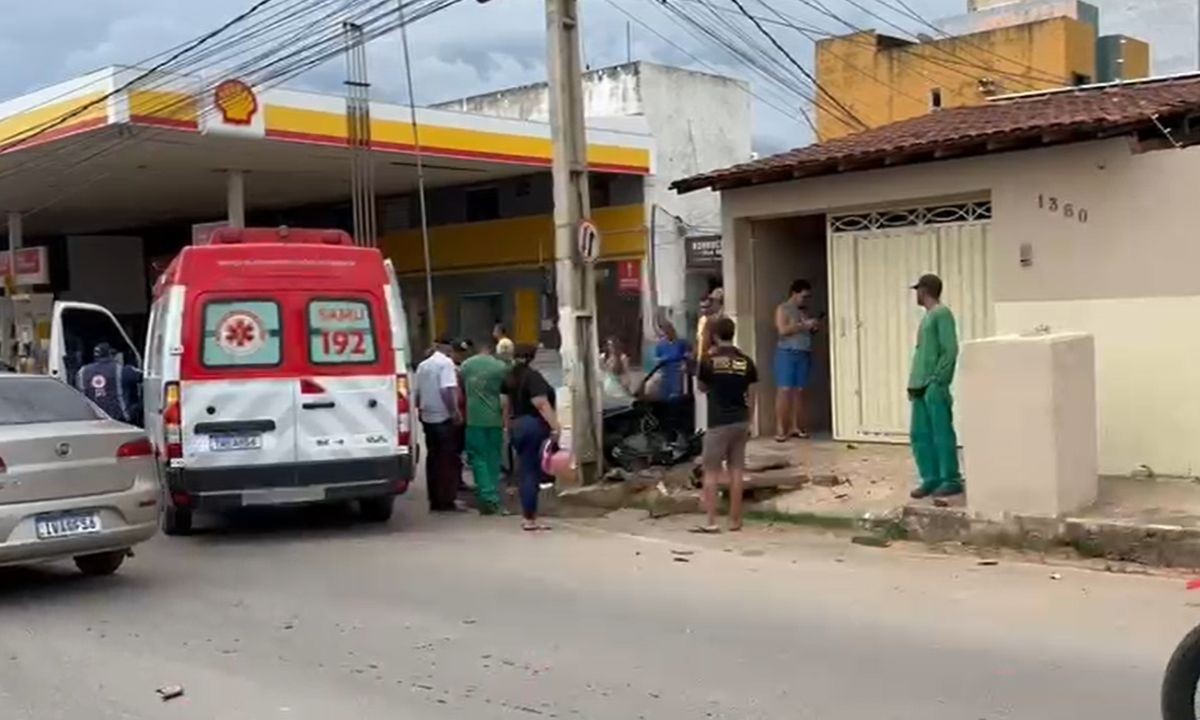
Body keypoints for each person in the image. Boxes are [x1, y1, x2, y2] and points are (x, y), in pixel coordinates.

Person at [694, 317, 757, 533]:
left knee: (710, 472)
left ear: (715, 336)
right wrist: (750, 420)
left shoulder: (708, 361)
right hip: (740, 420)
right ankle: (735, 520)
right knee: (736, 471)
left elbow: (701, 388)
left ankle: (711, 521)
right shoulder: (746, 361)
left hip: (718, 422)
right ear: (733, 333)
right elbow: (753, 394)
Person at [907, 273, 963, 500]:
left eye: (918, 290)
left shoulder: (942, 314)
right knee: (920, 434)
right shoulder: (927, 317)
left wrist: (938, 379)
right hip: (919, 384)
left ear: (924, 290)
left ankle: (950, 478)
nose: (916, 295)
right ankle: (930, 477)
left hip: (933, 384)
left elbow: (950, 349)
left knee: (941, 432)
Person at [502, 343, 561, 531]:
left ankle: (529, 515)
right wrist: (556, 427)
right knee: (531, 472)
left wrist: (507, 426)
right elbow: (541, 403)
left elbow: (504, 404)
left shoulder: (509, 376)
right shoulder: (532, 377)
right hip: (533, 425)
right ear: (533, 356)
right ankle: (529, 518)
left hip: (516, 424)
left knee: (525, 468)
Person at [414, 336, 464, 512]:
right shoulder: (446, 364)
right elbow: (447, 389)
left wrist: (420, 409)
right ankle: (446, 501)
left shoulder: (423, 365)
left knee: (433, 459)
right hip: (443, 418)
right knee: (447, 460)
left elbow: (417, 392)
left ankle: (434, 499)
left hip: (428, 417)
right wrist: (454, 411)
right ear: (448, 347)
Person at [461, 343, 509, 515]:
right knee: (493, 461)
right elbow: (505, 396)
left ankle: (487, 497)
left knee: (478, 460)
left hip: (474, 420)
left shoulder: (466, 366)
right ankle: (492, 496)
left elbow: (460, 388)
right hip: (494, 419)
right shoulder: (501, 367)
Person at [774, 279, 820, 442]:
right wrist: (802, 326)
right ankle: (781, 429)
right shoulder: (783, 309)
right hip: (787, 352)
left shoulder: (804, 311)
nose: (805, 300)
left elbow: (807, 329)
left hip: (803, 352)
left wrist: (812, 326)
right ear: (794, 293)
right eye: (803, 296)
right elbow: (782, 330)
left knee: (799, 391)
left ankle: (797, 426)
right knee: (785, 390)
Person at [77, 342, 143, 425]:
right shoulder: (121, 370)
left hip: (94, 420)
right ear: (111, 354)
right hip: (120, 419)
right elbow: (145, 376)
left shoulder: (82, 372)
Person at [652, 319, 691, 441]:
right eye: (664, 331)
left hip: (678, 375)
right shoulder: (660, 345)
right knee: (666, 405)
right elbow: (656, 360)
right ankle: (668, 435)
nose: (666, 333)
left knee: (677, 403)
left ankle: (681, 433)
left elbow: (688, 356)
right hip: (666, 375)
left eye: (668, 330)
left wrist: (684, 361)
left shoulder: (681, 343)